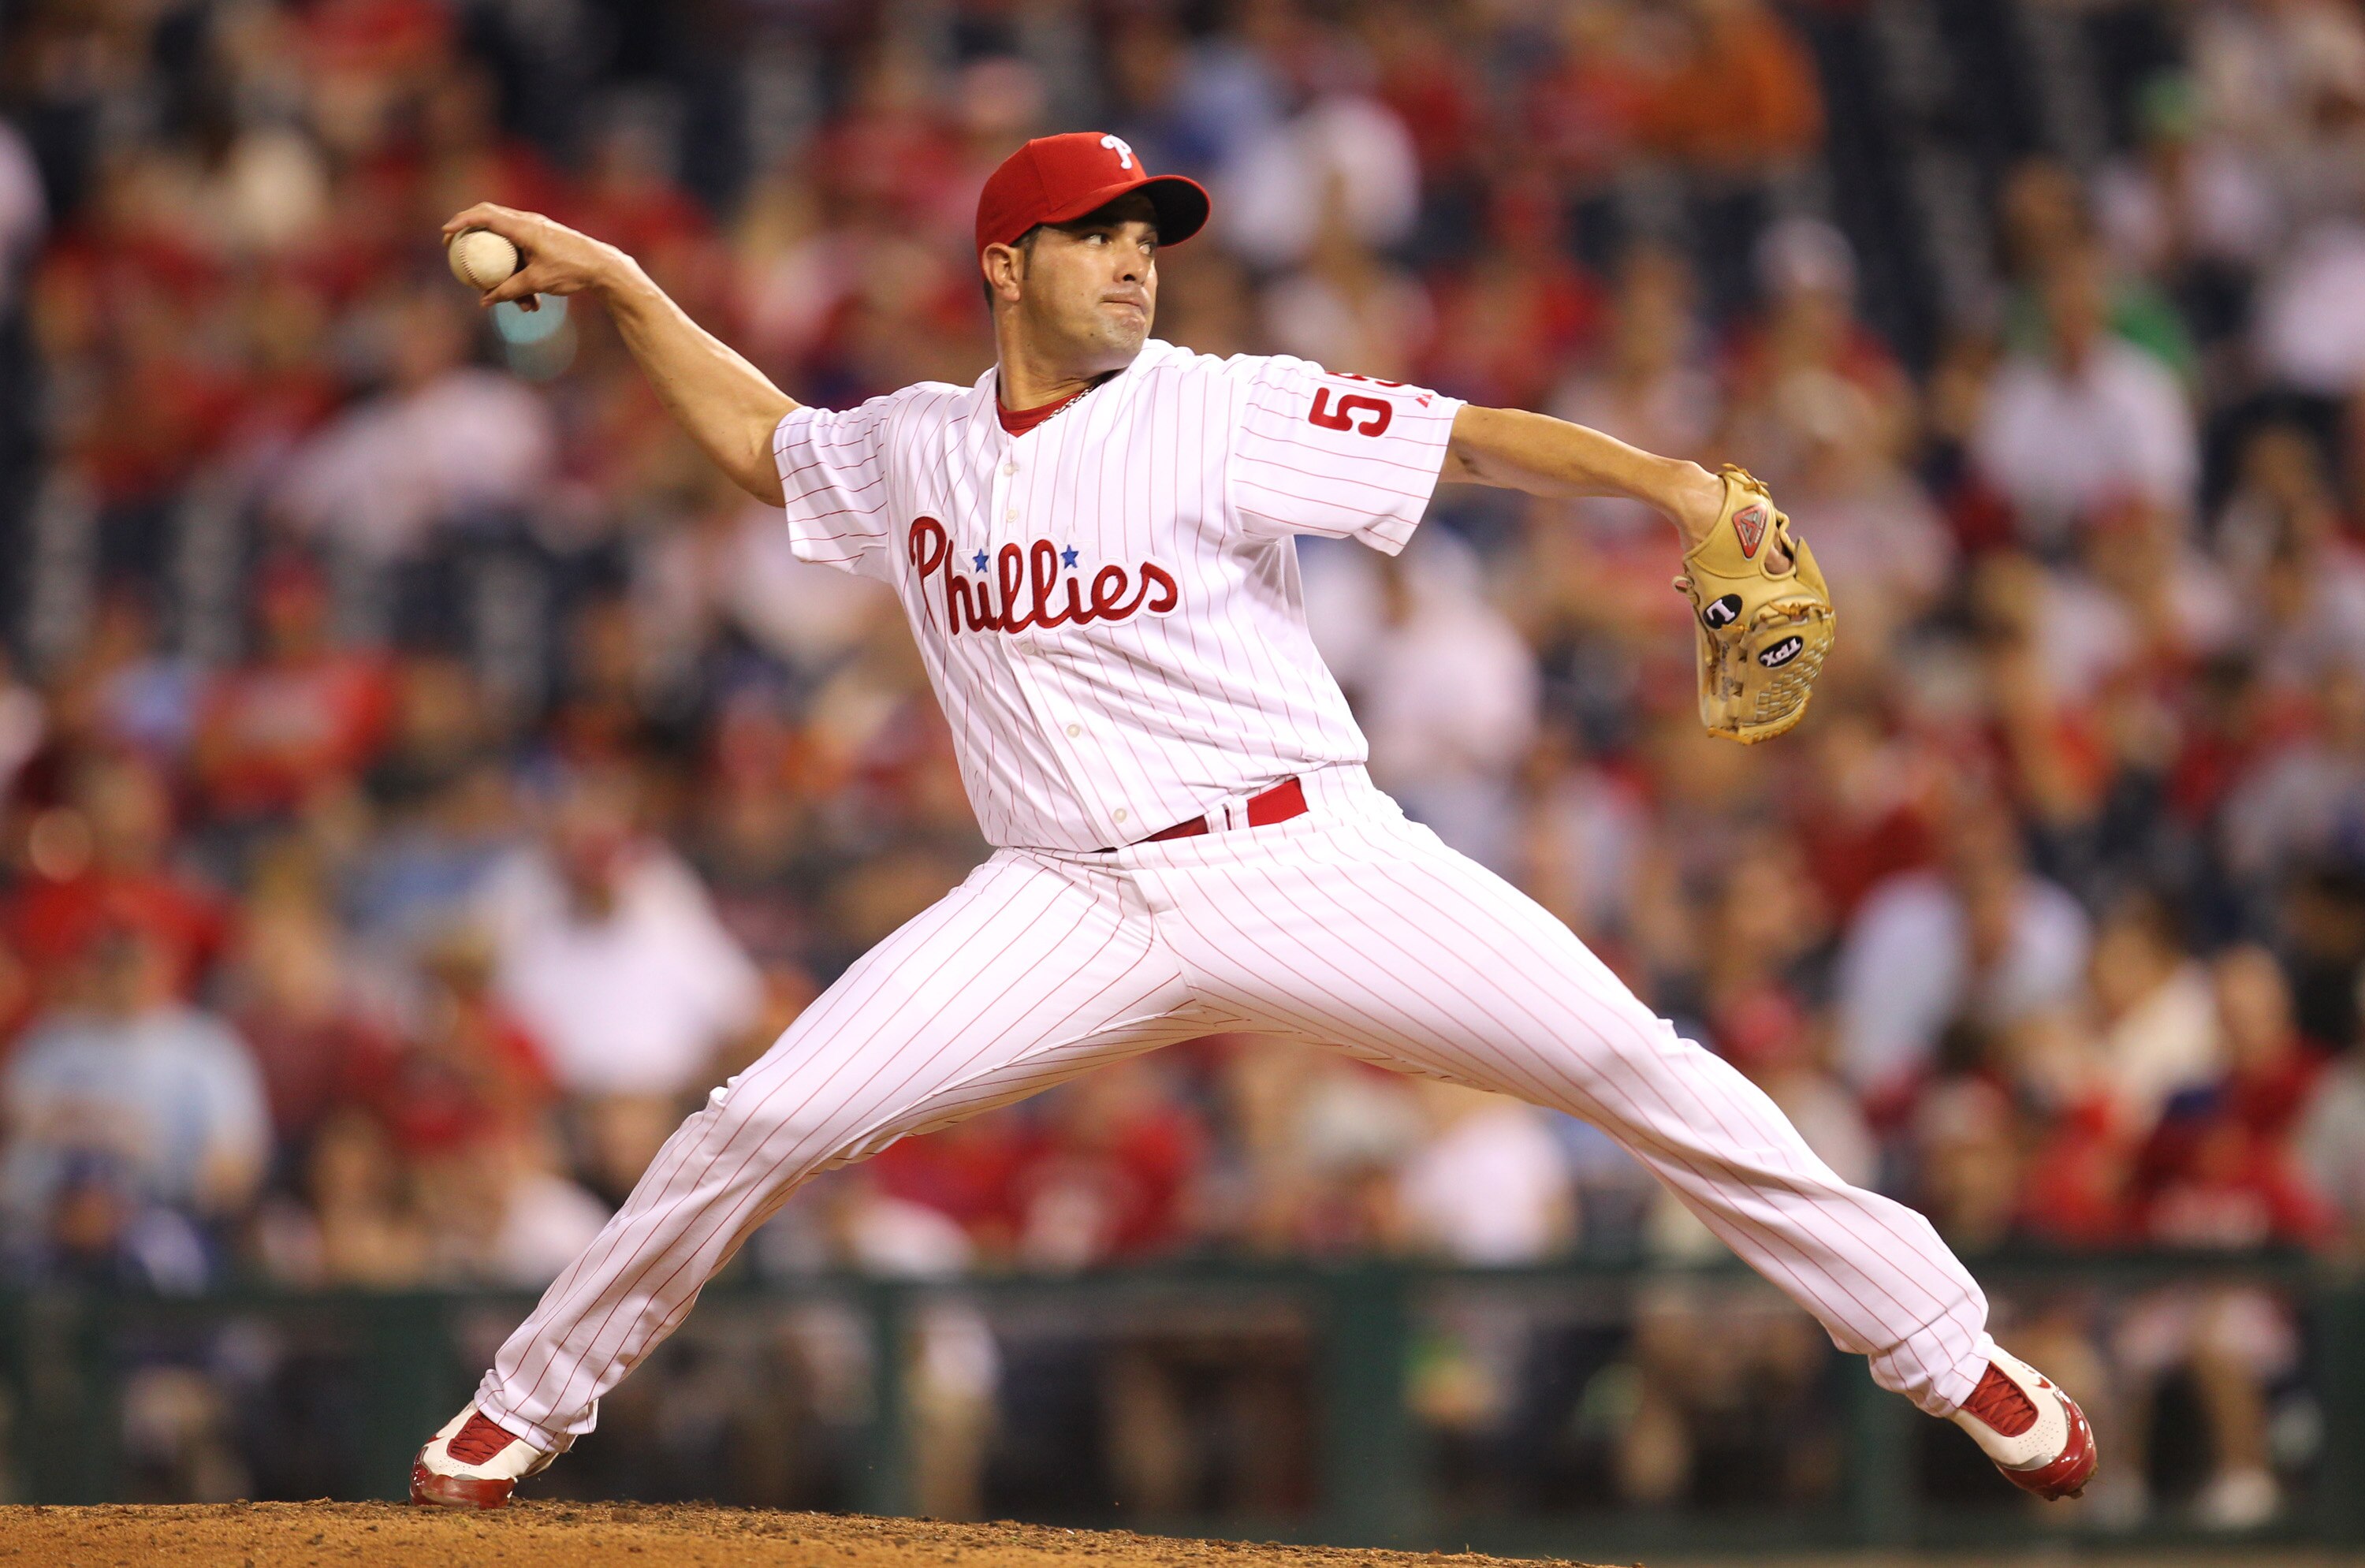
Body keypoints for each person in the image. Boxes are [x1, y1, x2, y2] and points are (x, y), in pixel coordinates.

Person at [410, 132, 2095, 1508]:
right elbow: (769, 447)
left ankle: (1952, 1345)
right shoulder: (919, 445)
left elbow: (1474, 448)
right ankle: (526, 1403)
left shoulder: (1218, 405)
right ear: (1004, 267)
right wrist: (627, 289)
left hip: (1305, 856)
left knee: (1630, 1062)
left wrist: (1668, 483)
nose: (1138, 258)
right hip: (1056, 896)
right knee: (756, 1119)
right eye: (1095, 234)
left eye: (1150, 232)